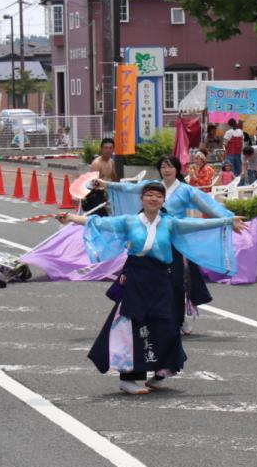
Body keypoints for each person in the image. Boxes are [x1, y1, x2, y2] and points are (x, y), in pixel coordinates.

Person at [56, 181, 245, 394]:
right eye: (149, 195)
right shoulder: (129, 221)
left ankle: (162, 372)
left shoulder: (170, 223)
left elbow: (197, 225)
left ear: (163, 201)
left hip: (161, 278)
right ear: (142, 198)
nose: (154, 199)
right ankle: (128, 379)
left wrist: (228, 221)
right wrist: (71, 217)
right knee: (132, 325)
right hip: (136, 277)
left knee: (167, 324)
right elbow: (99, 223)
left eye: (158, 196)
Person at [96, 155, 242, 335]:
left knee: (178, 282)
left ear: (177, 169)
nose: (166, 170)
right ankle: (143, 318)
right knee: (144, 280)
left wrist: (229, 220)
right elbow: (129, 188)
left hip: (176, 241)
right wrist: (106, 184)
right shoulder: (154, 187)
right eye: (163, 167)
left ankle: (180, 318)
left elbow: (209, 207)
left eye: (170, 166)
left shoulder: (186, 190)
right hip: (152, 239)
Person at [85, 137, 119, 214]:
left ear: (113, 149)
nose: (108, 150)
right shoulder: (97, 163)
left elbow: (114, 178)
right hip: (94, 196)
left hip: (104, 193)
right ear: (101, 149)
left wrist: (116, 189)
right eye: (105, 148)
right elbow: (93, 184)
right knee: (102, 218)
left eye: (110, 148)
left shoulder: (111, 162)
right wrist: (105, 193)